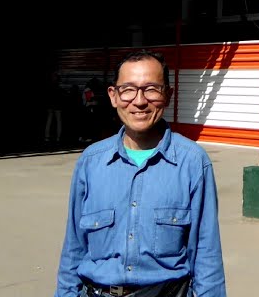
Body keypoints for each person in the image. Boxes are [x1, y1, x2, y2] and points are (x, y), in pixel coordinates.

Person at [56, 49, 225, 297]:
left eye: (151, 89)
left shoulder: (192, 162)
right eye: (128, 89)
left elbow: (206, 252)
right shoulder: (90, 163)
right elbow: (74, 247)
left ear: (168, 95)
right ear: (113, 96)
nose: (139, 101)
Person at [44, 72, 65, 146]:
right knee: (58, 120)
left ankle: (47, 137)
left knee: (49, 120)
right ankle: (58, 138)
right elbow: (62, 95)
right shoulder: (59, 85)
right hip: (58, 104)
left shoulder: (49, 85)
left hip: (50, 103)